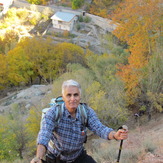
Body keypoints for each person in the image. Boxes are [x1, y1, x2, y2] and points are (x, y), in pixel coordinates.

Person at [31, 79, 128, 163]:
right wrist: (38, 157)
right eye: (69, 95)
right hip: (56, 158)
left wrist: (115, 135)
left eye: (75, 95)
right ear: (63, 97)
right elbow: (44, 136)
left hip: (78, 157)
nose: (72, 99)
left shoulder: (86, 112)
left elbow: (100, 128)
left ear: (80, 96)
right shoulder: (54, 113)